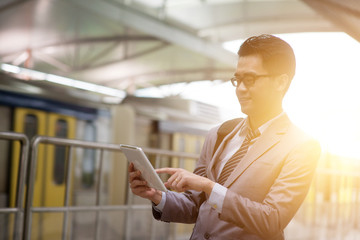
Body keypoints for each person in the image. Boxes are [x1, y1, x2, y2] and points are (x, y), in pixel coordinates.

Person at [128, 34, 321, 240]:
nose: (240, 89)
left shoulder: (301, 146)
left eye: (250, 79)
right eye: (237, 80)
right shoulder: (219, 135)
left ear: (281, 82)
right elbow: (196, 206)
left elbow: (271, 220)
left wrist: (209, 186)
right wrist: (157, 196)